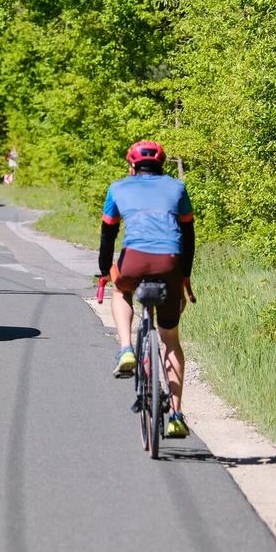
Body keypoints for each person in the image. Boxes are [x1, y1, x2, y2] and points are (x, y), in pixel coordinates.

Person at [98, 140, 195, 438]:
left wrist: (105, 272)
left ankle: (126, 348)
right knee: (170, 341)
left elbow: (108, 235)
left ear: (132, 166)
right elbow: (189, 236)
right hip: (170, 263)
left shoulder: (118, 188)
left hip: (134, 262)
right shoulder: (177, 188)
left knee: (120, 289)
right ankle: (176, 414)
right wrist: (185, 277)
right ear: (162, 165)